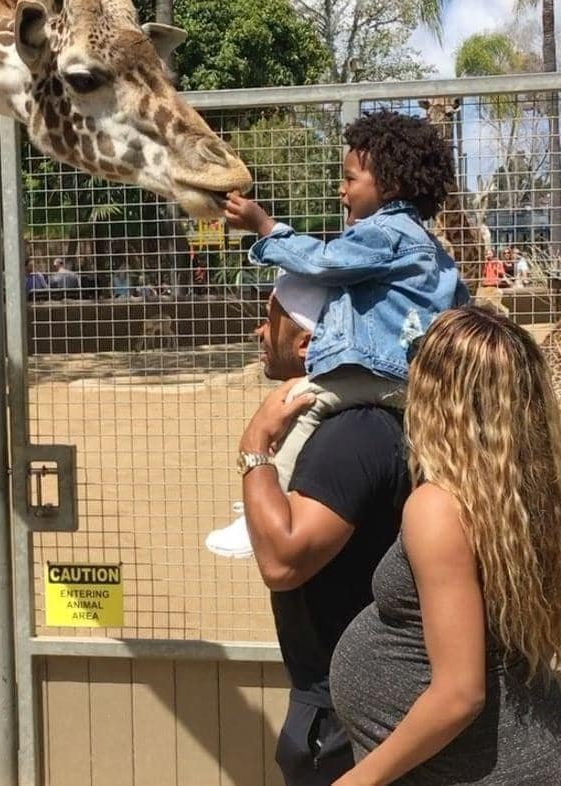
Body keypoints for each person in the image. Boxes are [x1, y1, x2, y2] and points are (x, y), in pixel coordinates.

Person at [329, 304, 561, 786]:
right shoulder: (522, 492)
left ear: (438, 395)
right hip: (528, 753)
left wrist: (357, 781)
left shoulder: (440, 508)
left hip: (484, 770)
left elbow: (459, 694)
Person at [206, 109, 466, 559]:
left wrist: (265, 228)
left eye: (350, 179)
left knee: (299, 405)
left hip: (372, 369)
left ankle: (263, 515)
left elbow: (325, 262)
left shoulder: (385, 234)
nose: (341, 190)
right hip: (412, 378)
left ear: (391, 186)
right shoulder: (430, 249)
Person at [235, 271, 409, 786]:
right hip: (341, 702)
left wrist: (254, 449)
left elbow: (282, 561)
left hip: (347, 716)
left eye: (271, 319)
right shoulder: (352, 426)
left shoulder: (352, 433)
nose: (259, 332)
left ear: (308, 341)